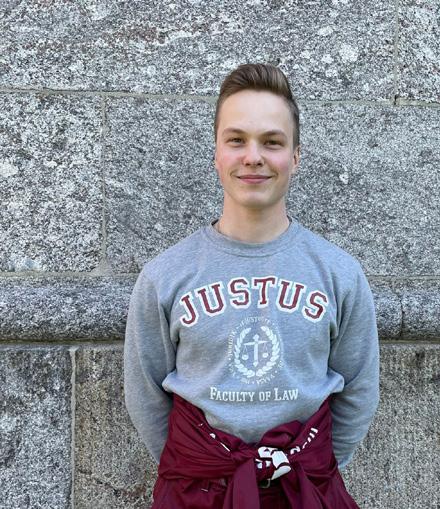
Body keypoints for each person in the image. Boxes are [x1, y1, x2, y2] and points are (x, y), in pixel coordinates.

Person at [124, 63, 380, 508]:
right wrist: (200, 470)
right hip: (198, 493)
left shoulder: (339, 274)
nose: (253, 156)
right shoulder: (166, 276)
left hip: (304, 490)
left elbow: (358, 391)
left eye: (272, 142)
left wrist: (306, 467)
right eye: (237, 140)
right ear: (216, 153)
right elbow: (145, 396)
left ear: (295, 157)